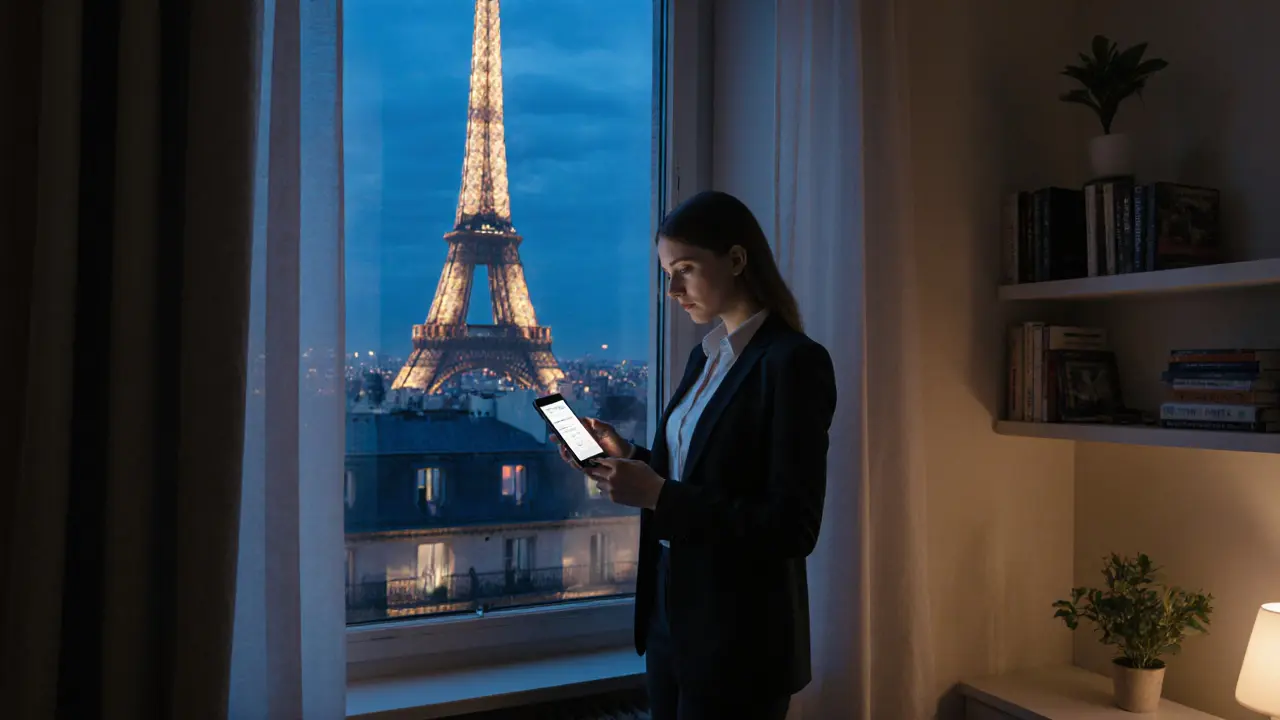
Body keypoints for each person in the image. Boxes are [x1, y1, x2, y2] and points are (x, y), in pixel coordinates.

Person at [552, 190, 837, 720]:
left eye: (684, 269)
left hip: (740, 639)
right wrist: (628, 455)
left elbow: (793, 527)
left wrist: (657, 494)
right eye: (666, 271)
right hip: (670, 617)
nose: (672, 289)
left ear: (735, 259)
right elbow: (695, 475)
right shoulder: (704, 358)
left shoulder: (793, 363)